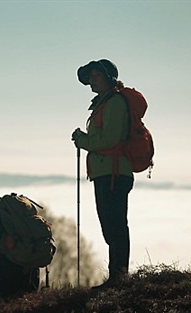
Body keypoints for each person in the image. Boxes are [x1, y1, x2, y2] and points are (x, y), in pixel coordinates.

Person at [71, 59, 135, 289]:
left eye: (95, 76)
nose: (91, 81)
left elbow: (109, 139)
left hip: (114, 172)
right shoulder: (105, 103)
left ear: (109, 77)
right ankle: (117, 276)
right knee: (111, 224)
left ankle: (119, 277)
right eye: (89, 78)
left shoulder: (115, 102)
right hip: (108, 171)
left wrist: (82, 140)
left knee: (115, 224)